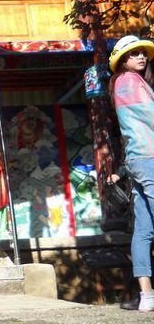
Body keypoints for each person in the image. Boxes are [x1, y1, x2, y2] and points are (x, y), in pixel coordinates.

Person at [108, 35, 154, 312]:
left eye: (142, 52)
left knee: (144, 230)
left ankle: (147, 295)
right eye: (134, 53)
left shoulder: (123, 83)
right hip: (149, 157)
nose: (141, 56)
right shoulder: (130, 82)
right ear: (123, 59)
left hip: (138, 159)